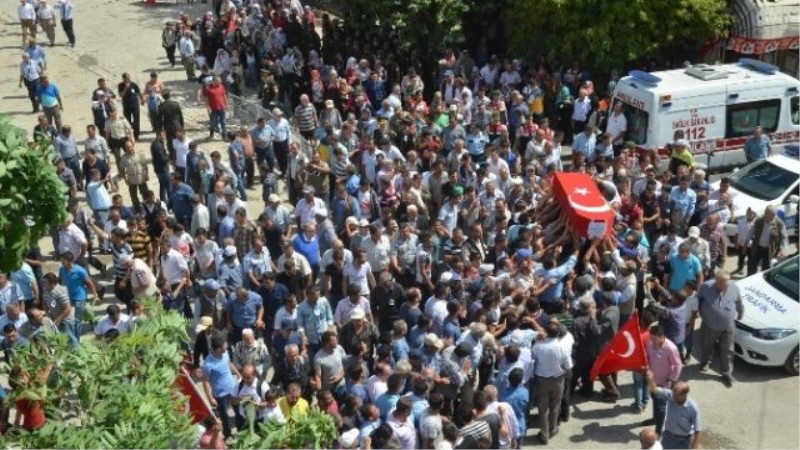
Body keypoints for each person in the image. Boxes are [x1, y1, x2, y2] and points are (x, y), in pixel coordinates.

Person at [696, 270, 743, 387]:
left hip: (728, 327)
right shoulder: (706, 287)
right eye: (720, 283)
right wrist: (699, 313)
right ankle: (705, 362)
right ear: (715, 281)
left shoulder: (734, 287)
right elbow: (698, 299)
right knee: (707, 345)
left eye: (725, 283)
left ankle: (727, 373)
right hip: (709, 325)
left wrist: (740, 314)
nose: (722, 286)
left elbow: (739, 302)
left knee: (728, 351)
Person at [531, 319, 572, 445]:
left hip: (542, 380)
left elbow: (531, 359)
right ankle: (553, 429)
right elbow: (568, 366)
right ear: (559, 334)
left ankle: (544, 435)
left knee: (542, 409)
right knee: (555, 406)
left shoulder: (538, 347)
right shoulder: (563, 348)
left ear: (546, 333)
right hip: (558, 380)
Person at [645, 372, 702, 449]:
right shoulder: (671, 395)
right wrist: (651, 380)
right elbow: (654, 389)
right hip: (669, 437)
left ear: (683, 395)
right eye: (673, 392)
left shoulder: (692, 408)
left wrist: (694, 446)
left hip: (684, 440)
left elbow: (698, 429)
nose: (673, 396)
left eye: (676, 395)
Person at [201, 331, 241, 439]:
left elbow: (229, 363)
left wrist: (238, 374)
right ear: (218, 348)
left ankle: (241, 430)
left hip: (232, 388)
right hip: (220, 394)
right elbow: (205, 382)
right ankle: (228, 435)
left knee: (238, 411)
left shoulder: (225, 353)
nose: (227, 346)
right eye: (224, 345)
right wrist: (210, 398)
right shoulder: (207, 364)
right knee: (225, 417)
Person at [746, 205, 788, 275]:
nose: (765, 215)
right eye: (765, 213)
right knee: (751, 266)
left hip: (770, 250)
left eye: (767, 214)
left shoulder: (780, 224)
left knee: (766, 269)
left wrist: (783, 249)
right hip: (757, 248)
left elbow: (784, 238)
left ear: (773, 215)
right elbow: (751, 231)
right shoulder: (759, 220)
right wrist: (745, 243)